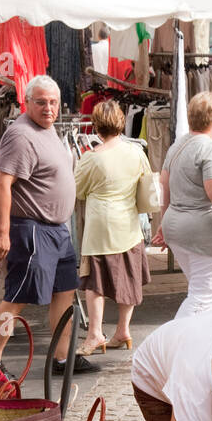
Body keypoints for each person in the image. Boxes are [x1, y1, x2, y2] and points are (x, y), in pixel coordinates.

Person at [0, 75, 92, 374]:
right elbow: (1, 183)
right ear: (27, 103)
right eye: (41, 102)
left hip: (57, 230)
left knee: (64, 293)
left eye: (53, 102)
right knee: (17, 299)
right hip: (32, 230)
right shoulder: (21, 135)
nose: (48, 108)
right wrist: (2, 233)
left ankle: (62, 358)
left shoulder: (48, 130)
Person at [156, 91, 212, 317]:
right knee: (202, 298)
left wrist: (164, 223)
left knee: (205, 296)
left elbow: (166, 188)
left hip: (179, 230)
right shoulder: (210, 150)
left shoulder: (177, 147)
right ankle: (175, 346)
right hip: (205, 235)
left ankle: (203, 347)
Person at [73, 100, 154, 355]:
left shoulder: (91, 159)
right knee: (129, 277)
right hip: (128, 225)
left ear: (96, 126)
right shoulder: (136, 153)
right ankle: (123, 330)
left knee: (96, 281)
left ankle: (95, 333)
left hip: (99, 227)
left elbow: (78, 191)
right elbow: (146, 189)